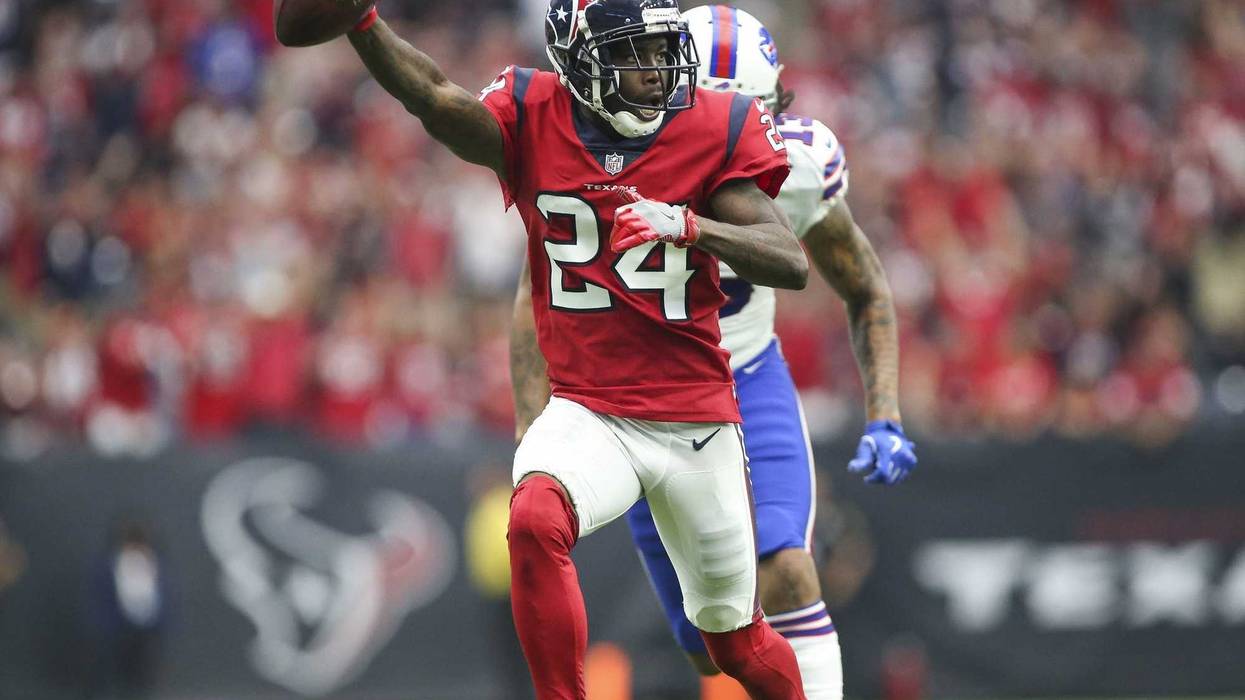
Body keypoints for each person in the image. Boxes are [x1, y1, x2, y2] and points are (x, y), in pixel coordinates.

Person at [342, 0, 809, 697]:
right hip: (590, 408)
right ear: (581, 65)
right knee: (532, 516)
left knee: (733, 642)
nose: (656, 71)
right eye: (635, 54)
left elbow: (788, 259)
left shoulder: (714, 124)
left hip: (695, 420)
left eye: (660, 51)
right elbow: (436, 99)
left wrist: (692, 227)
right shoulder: (533, 113)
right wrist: (364, 26)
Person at [510, 6, 918, 699]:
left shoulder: (795, 166)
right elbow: (536, 295)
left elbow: (864, 286)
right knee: (709, 645)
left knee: (787, 567)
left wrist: (885, 411)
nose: (738, 133)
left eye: (751, 111)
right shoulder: (613, 152)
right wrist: (530, 425)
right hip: (638, 397)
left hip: (746, 377)